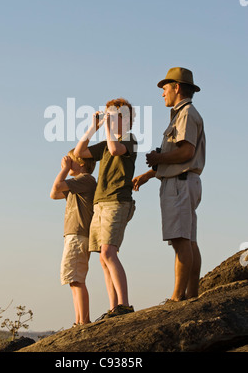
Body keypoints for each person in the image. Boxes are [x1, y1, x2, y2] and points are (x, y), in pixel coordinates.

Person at [133, 67, 205, 302]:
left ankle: (177, 297)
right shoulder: (183, 114)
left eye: (165, 88)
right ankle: (191, 294)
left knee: (180, 240)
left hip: (180, 184)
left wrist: (158, 158)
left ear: (176, 88)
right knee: (188, 240)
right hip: (185, 181)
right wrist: (149, 173)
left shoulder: (185, 114)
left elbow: (186, 151)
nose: (162, 94)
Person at [74, 98, 137, 319]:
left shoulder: (130, 140)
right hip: (100, 202)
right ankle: (114, 307)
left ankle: (125, 304)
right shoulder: (108, 143)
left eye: (116, 115)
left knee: (110, 252)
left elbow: (114, 148)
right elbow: (80, 152)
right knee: (102, 257)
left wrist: (109, 128)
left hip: (117, 201)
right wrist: (94, 127)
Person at [50, 149, 96, 326]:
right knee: (73, 279)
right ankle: (79, 320)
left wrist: (64, 169)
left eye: (72, 160)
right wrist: (67, 168)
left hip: (78, 235)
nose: (67, 162)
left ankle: (83, 321)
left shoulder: (85, 180)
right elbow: (54, 195)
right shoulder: (77, 184)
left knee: (76, 278)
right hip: (73, 235)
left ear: (82, 164)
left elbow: (57, 187)